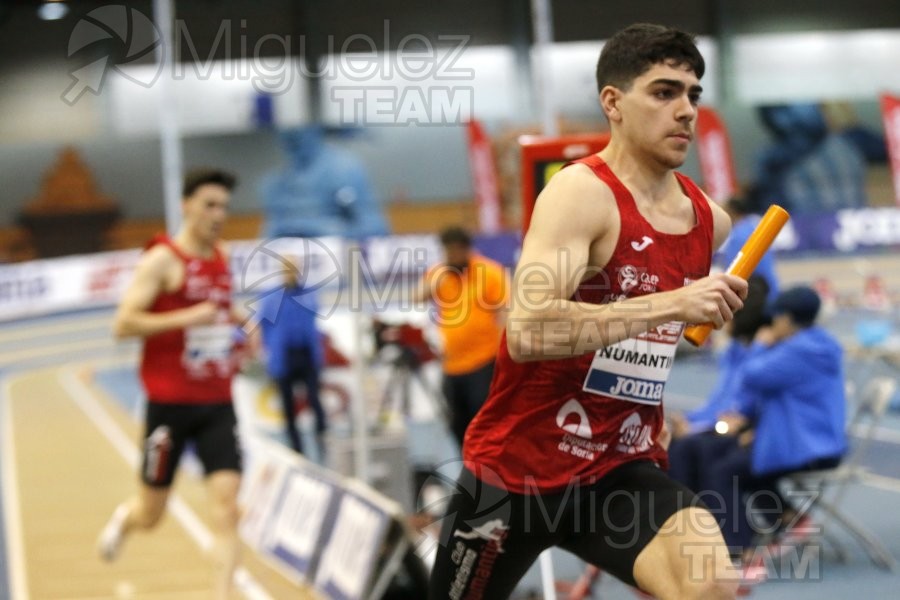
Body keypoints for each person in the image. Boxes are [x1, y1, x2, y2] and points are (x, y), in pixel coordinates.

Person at [428, 24, 749, 600]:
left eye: (694, 95)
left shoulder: (709, 222)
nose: (686, 111)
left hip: (617, 471)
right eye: (664, 92)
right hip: (513, 477)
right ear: (613, 103)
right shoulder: (580, 194)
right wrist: (673, 303)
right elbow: (527, 331)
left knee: (713, 584)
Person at [97, 169, 244, 600]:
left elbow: (219, 308)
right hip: (169, 406)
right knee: (151, 514)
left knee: (227, 509)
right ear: (187, 205)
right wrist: (185, 317)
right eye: (209, 205)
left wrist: (240, 323)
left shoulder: (223, 257)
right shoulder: (162, 260)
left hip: (217, 402)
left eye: (224, 206)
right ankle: (127, 519)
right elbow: (122, 324)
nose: (219, 215)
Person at [704, 285, 847, 557]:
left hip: (810, 448)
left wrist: (759, 346)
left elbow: (750, 375)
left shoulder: (801, 350)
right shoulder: (816, 344)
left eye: (775, 319)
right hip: (813, 442)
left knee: (724, 471)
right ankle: (789, 519)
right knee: (739, 462)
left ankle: (741, 550)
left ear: (786, 319)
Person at [667, 275, 771, 492]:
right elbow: (718, 401)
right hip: (722, 427)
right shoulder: (733, 352)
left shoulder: (761, 356)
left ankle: (697, 517)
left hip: (744, 431)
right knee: (672, 443)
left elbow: (735, 411)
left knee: (690, 449)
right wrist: (688, 420)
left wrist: (693, 429)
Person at [414, 226, 509, 446]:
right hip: (452, 365)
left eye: (456, 251)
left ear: (467, 250)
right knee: (457, 423)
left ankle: (487, 469)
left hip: (483, 362)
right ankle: (468, 468)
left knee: (484, 421)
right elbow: (416, 297)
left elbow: (504, 311)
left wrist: (504, 355)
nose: (452, 256)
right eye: (448, 252)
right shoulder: (439, 273)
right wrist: (434, 282)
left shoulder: (489, 272)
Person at [259, 126, 389, 239]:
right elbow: (268, 235)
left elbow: (377, 228)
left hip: (341, 263)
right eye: (283, 128)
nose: (290, 132)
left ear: (316, 128)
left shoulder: (345, 169)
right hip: (292, 265)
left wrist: (321, 231)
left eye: (298, 127)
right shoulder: (275, 183)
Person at [255, 254, 327, 456]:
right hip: (283, 357)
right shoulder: (270, 297)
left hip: (306, 354)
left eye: (294, 268)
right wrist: (265, 351)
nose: (290, 272)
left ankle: (322, 441)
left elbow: (314, 322)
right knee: (288, 407)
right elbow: (261, 326)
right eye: (286, 268)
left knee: (314, 400)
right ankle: (296, 448)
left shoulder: (308, 294)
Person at [717, 196, 779, 301]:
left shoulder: (738, 237)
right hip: (771, 290)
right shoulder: (754, 229)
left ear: (731, 212)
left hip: (756, 296)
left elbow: (732, 273)